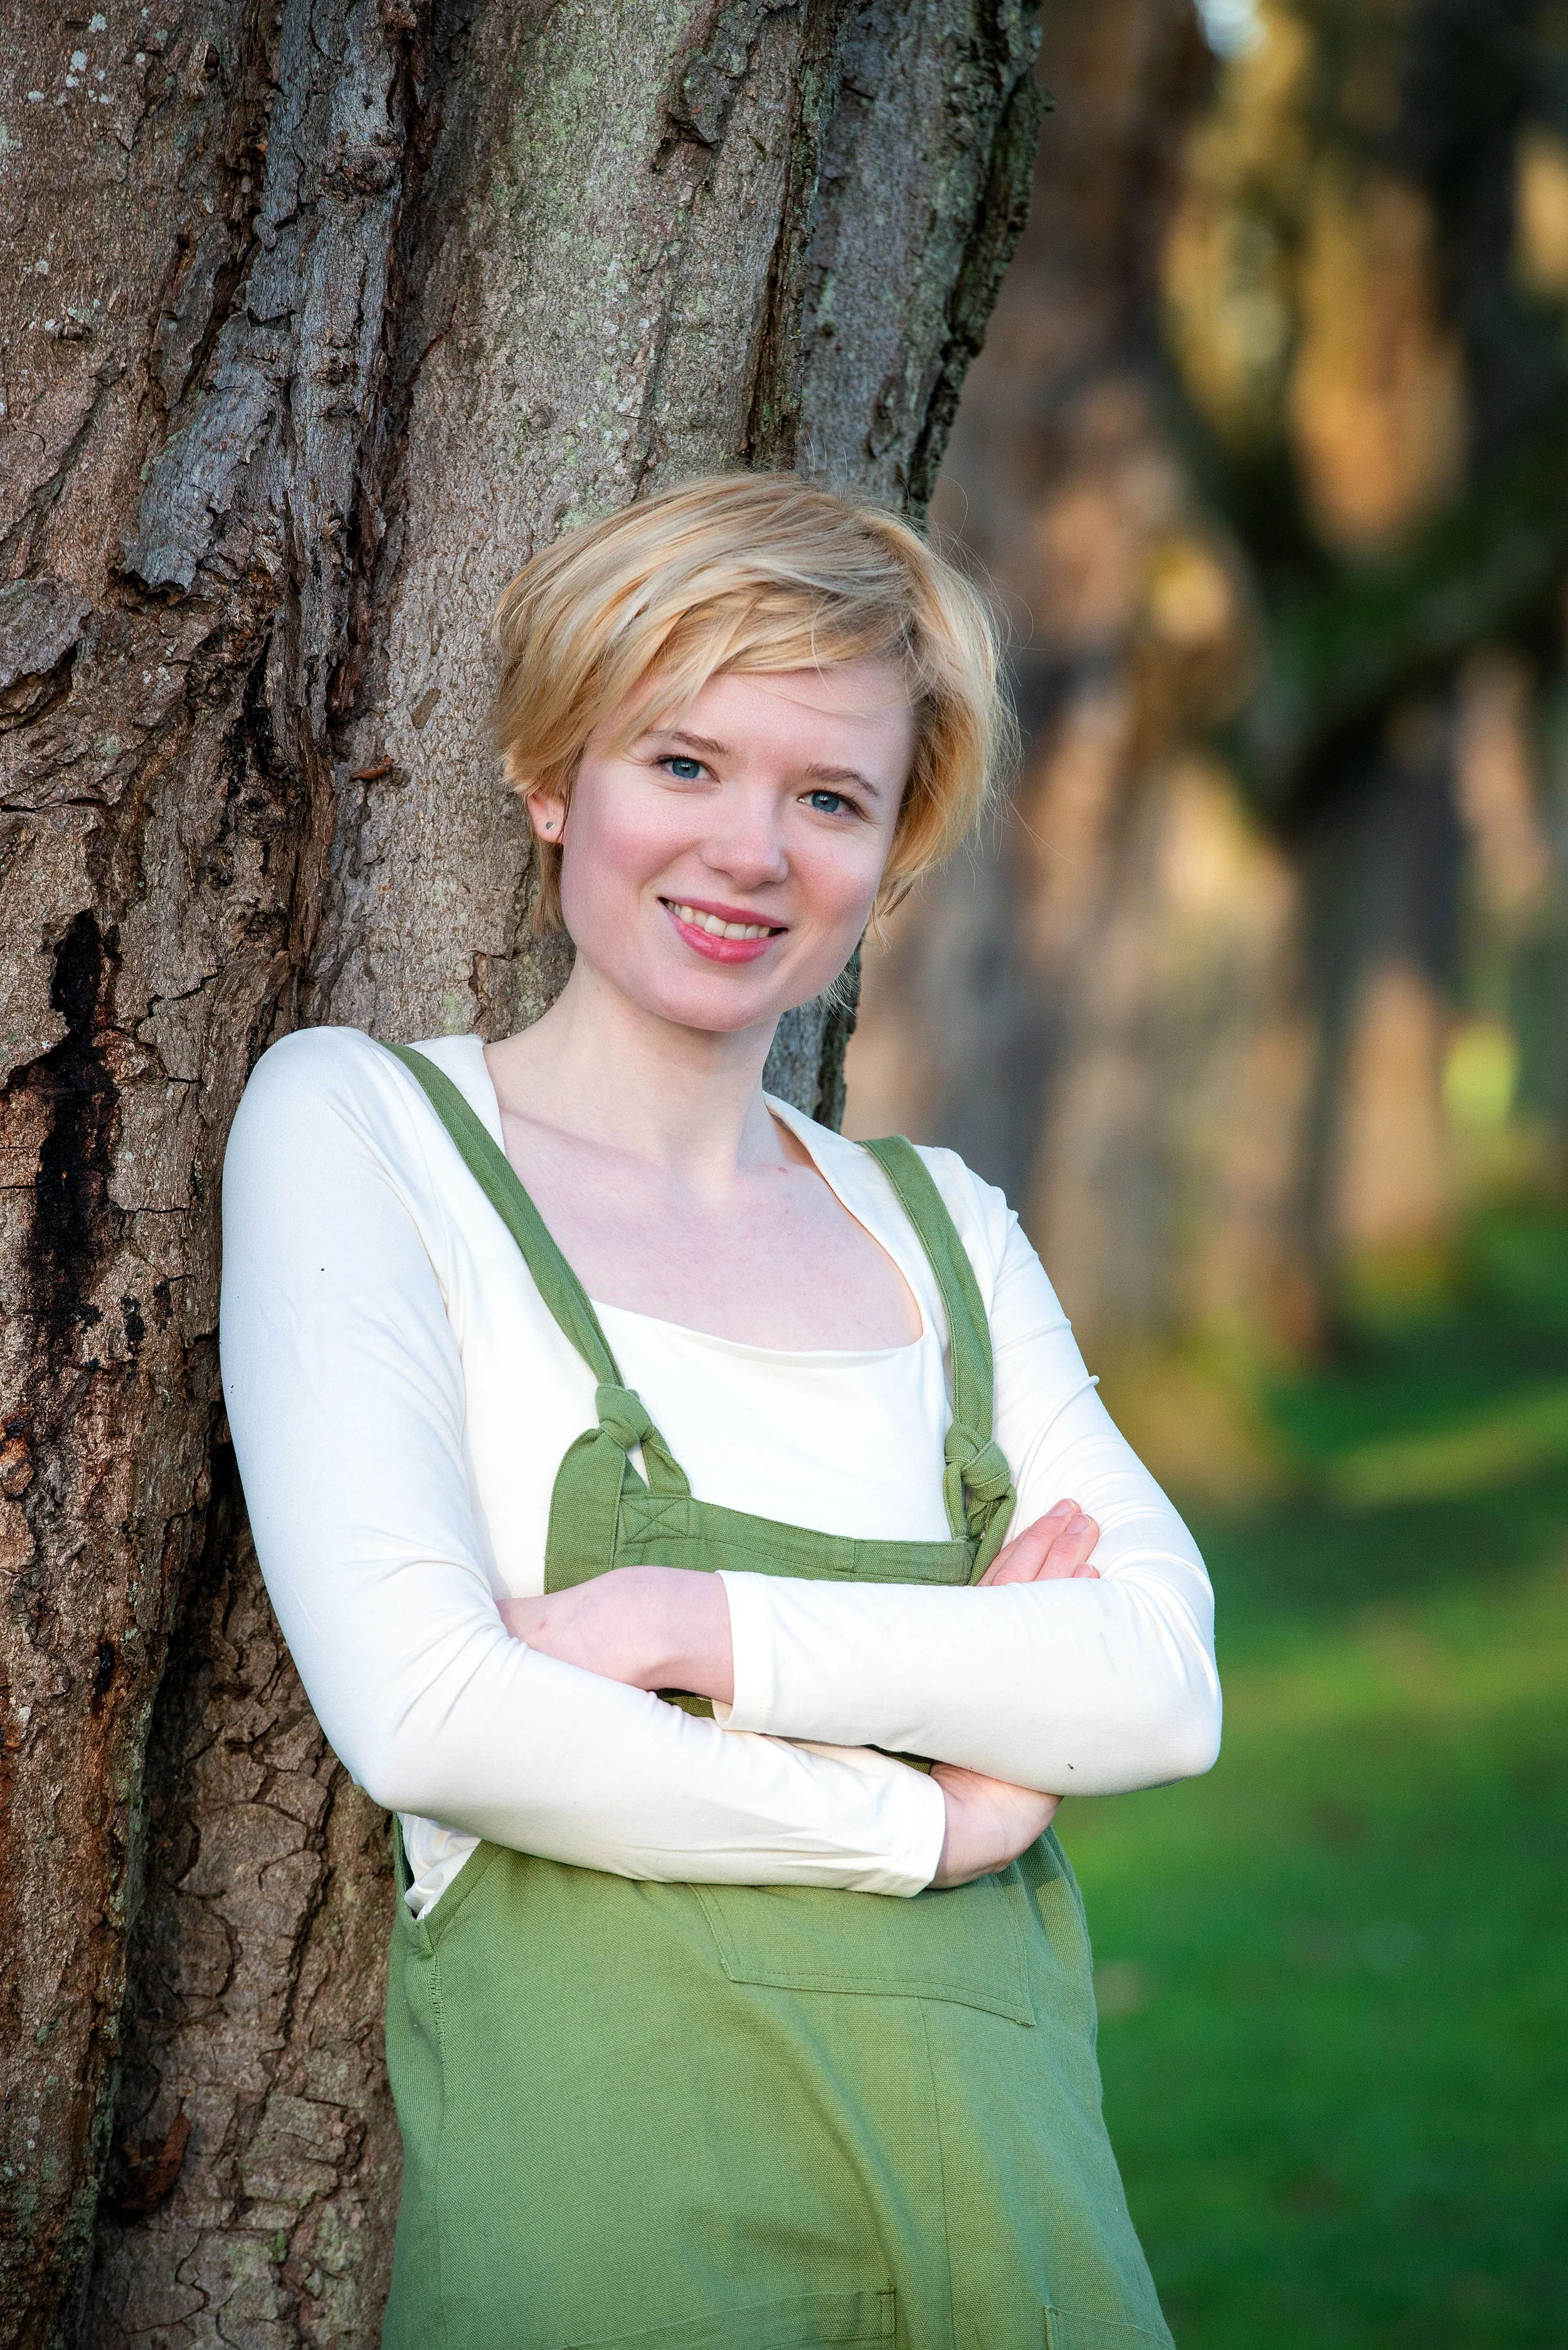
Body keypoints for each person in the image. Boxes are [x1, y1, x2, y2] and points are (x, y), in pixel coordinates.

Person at [220, 472, 1221, 2350]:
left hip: (1011, 2235)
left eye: (830, 797)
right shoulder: (365, 1134)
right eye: (683, 764)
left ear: (889, 852)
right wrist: (931, 1823)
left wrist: (689, 1628)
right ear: (555, 779)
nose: (751, 850)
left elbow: (1159, 1683)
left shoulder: (942, 1228)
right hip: (617, 2257)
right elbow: (432, 1713)